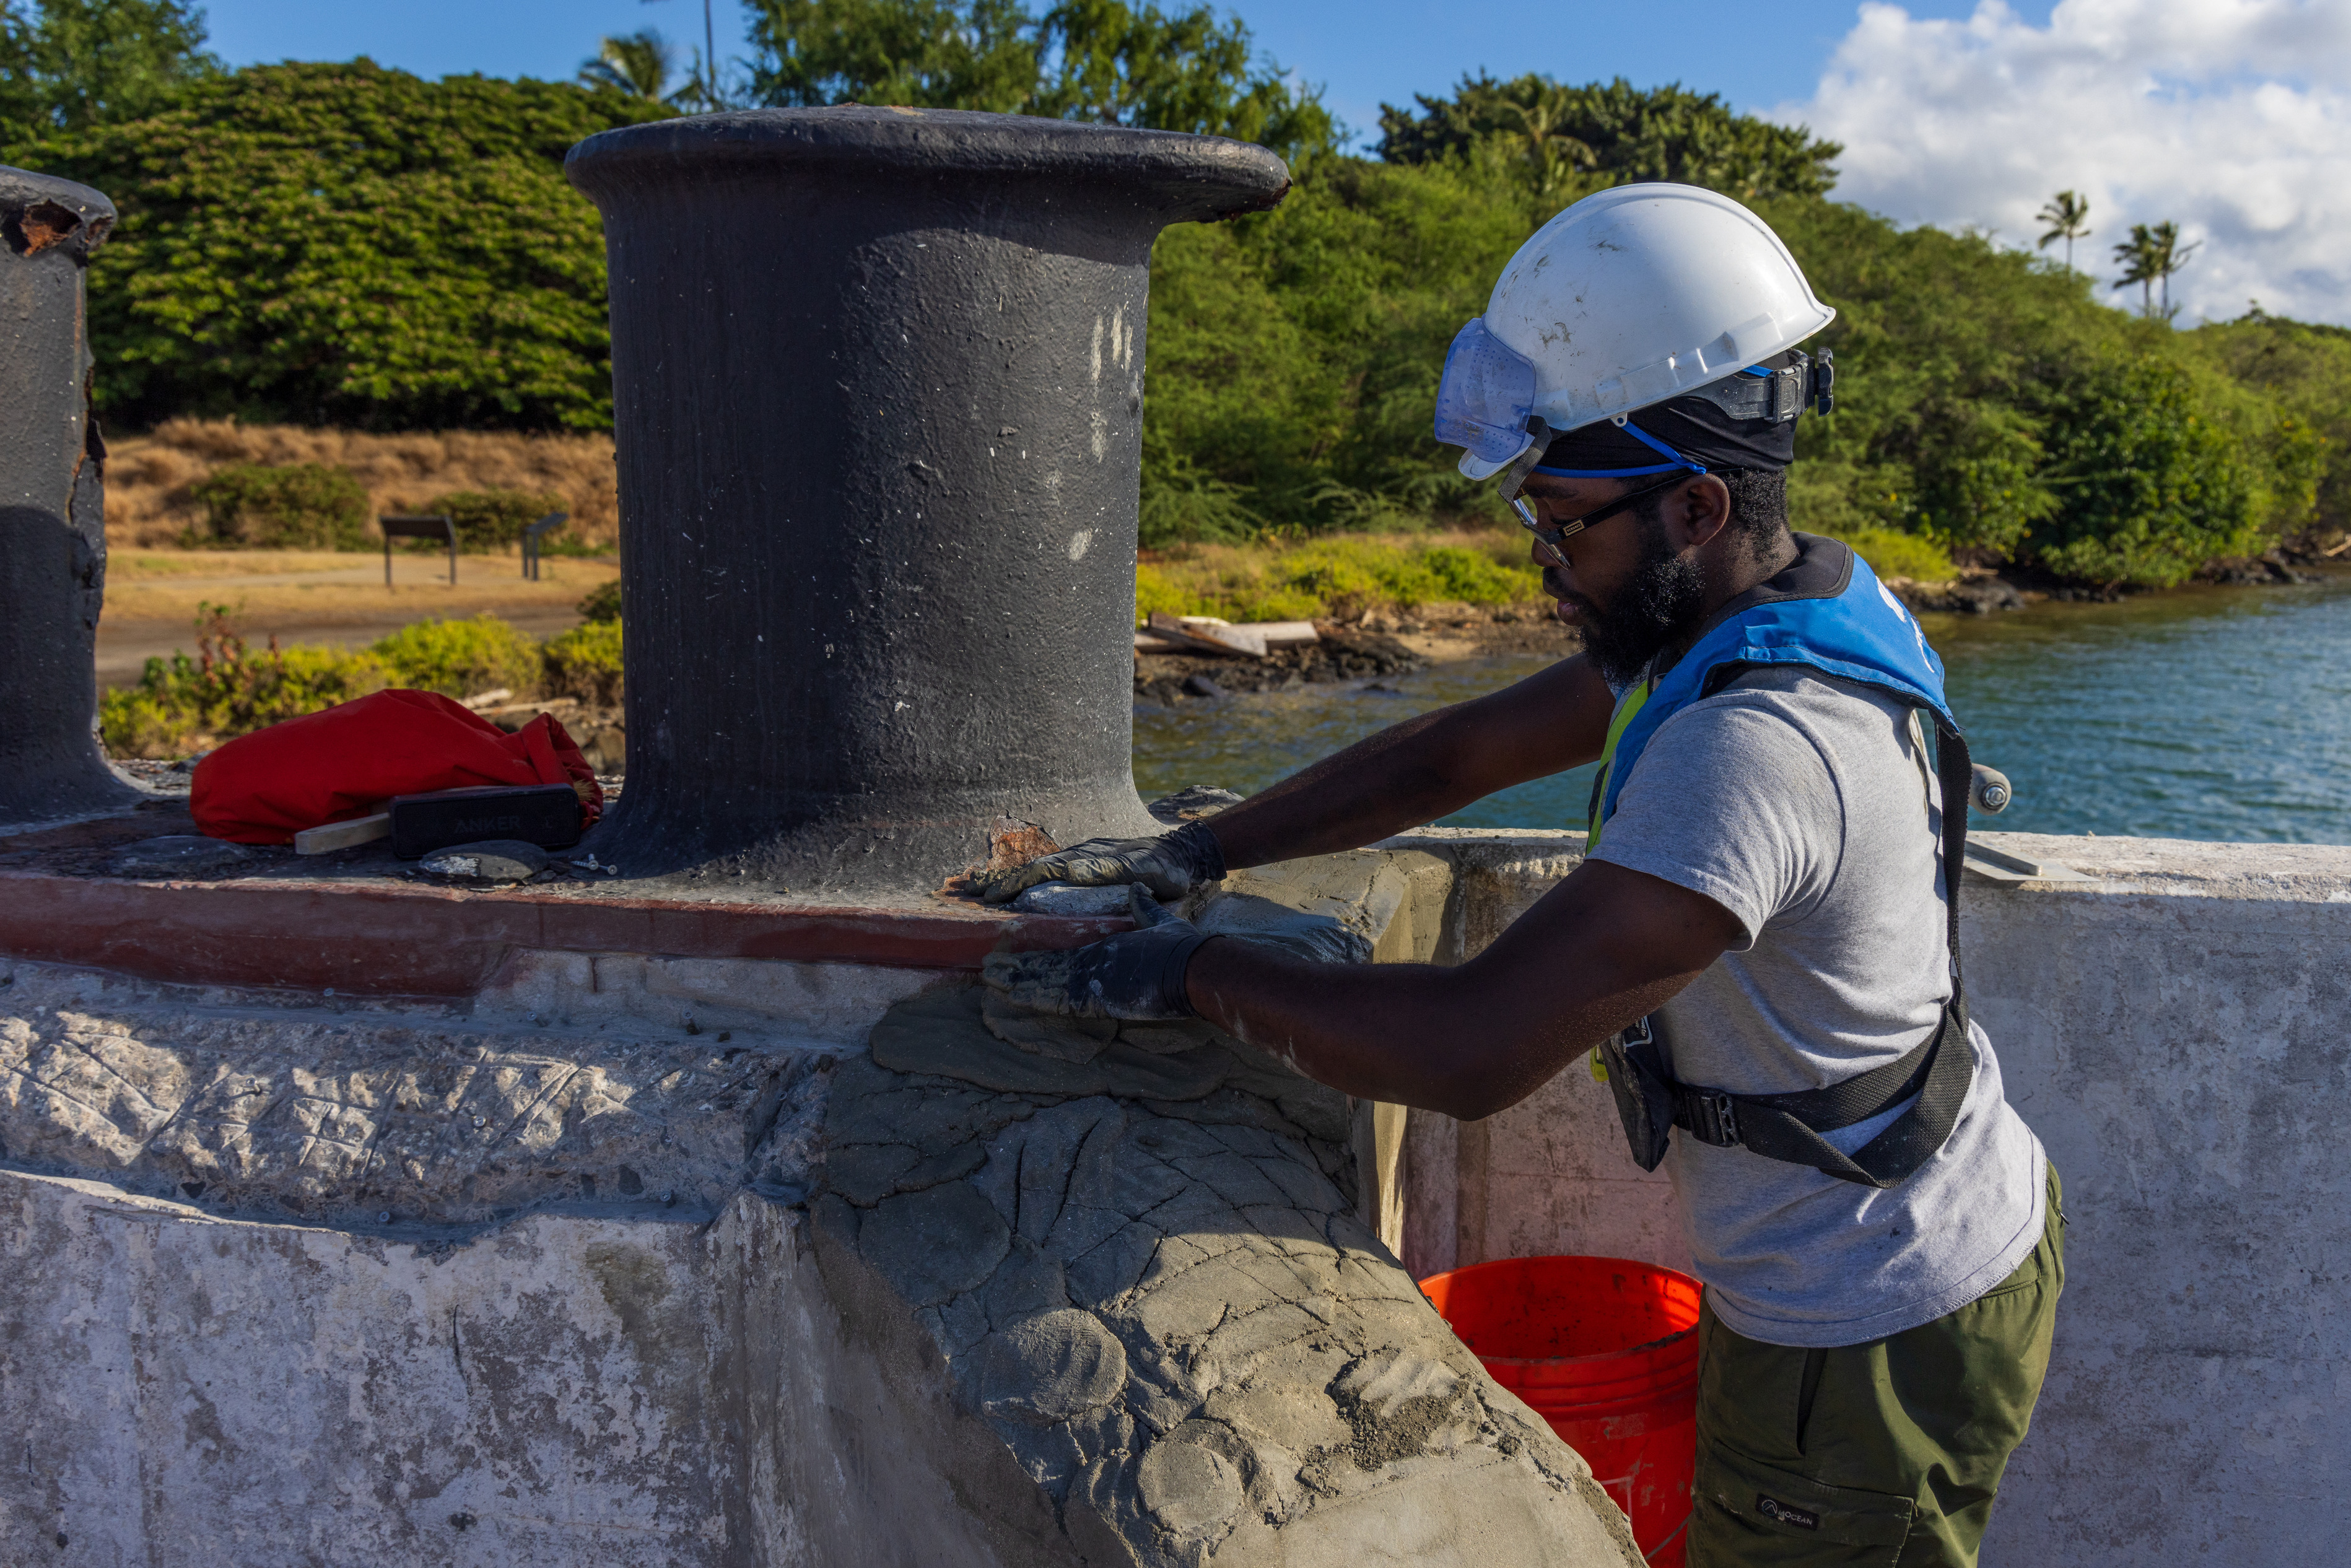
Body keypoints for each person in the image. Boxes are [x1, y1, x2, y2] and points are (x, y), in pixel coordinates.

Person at [976, 183, 2061, 1568]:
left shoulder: (1758, 746)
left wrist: (1181, 968)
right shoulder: (1780, 604)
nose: (1544, 566)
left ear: (1695, 501)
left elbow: (1473, 1047)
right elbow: (1456, 755)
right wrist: (1196, 849)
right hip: (1918, 1221)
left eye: (1565, 526)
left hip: (1865, 1317)